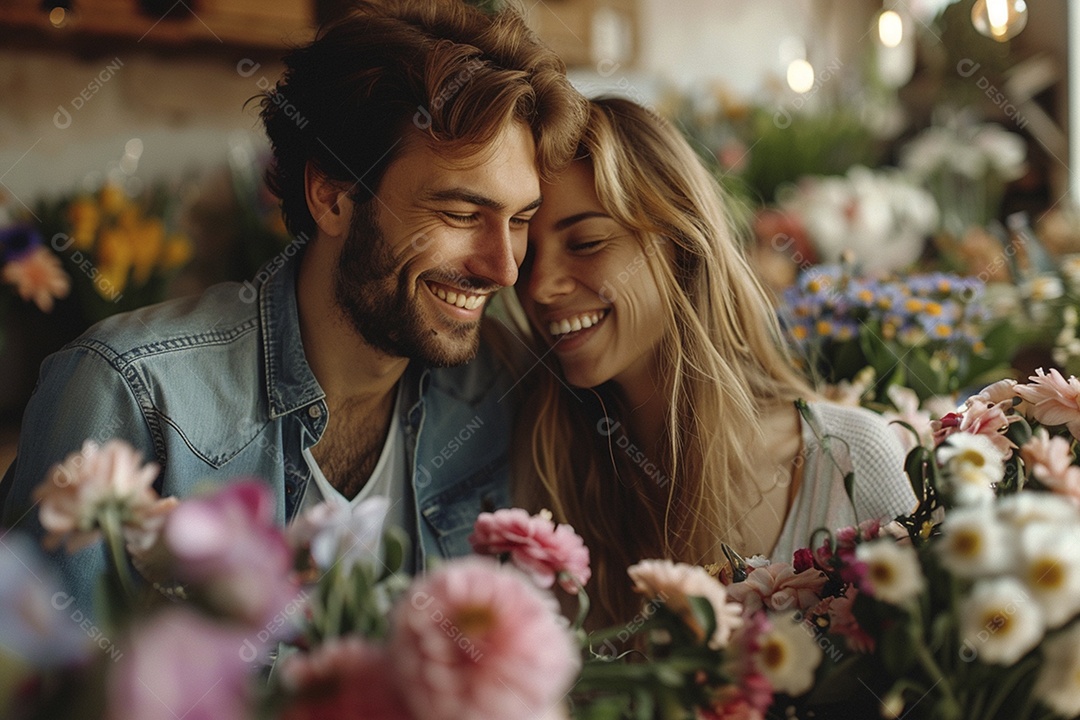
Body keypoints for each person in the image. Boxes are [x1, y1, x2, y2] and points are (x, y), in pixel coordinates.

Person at [0, 0, 587, 617]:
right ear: (332, 196)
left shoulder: (493, 390)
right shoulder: (132, 393)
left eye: (519, 220)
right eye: (462, 215)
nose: (504, 267)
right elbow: (38, 684)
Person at [512, 97, 915, 626]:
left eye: (586, 243)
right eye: (524, 256)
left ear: (680, 243)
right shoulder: (546, 471)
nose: (540, 288)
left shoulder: (847, 461)